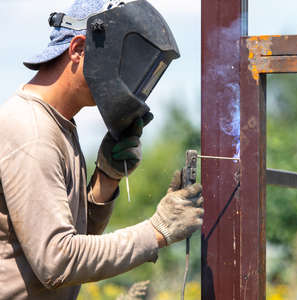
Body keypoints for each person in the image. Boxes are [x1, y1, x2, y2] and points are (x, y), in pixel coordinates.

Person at [0, 0, 204, 299]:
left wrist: (105, 180)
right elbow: (58, 262)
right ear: (78, 49)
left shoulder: (59, 125)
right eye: (122, 61)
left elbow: (78, 244)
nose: (128, 79)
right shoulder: (32, 132)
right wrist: (157, 231)